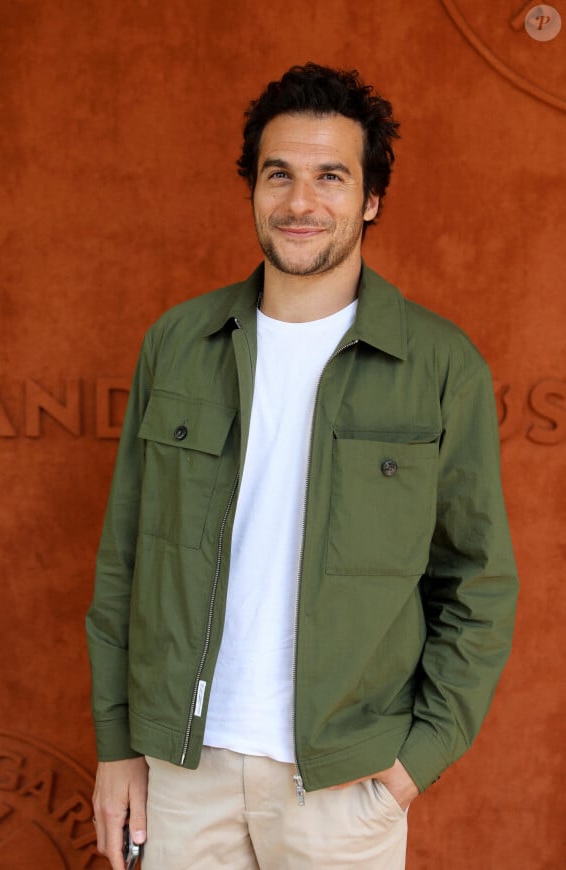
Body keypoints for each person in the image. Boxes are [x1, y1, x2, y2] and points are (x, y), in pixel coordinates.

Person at [86, 63, 518, 869]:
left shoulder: (438, 363)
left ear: (371, 199)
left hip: (344, 783)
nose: (300, 202)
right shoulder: (177, 344)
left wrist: (414, 762)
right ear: (252, 188)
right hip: (184, 767)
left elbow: (478, 582)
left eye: (331, 176)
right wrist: (118, 746)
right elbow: (125, 561)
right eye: (278, 174)